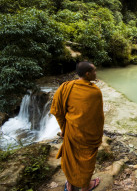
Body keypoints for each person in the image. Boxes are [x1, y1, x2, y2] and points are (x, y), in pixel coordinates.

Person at [50, 61, 104, 191]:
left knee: (71, 159)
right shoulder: (95, 92)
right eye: (94, 71)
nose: (96, 73)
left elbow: (57, 111)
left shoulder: (65, 87)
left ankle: (70, 186)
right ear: (87, 74)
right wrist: (98, 135)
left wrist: (64, 129)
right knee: (86, 161)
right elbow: (97, 118)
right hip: (88, 135)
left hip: (72, 132)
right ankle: (85, 187)